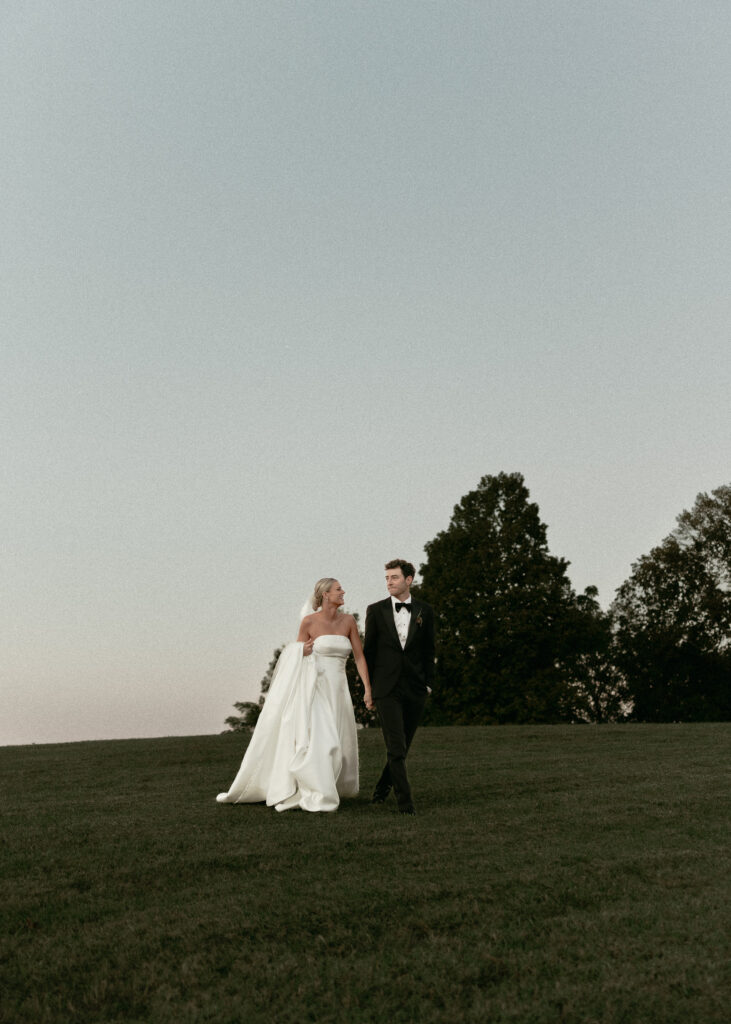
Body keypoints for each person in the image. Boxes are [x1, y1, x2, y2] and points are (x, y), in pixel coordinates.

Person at [216, 578, 373, 812]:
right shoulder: (308, 622)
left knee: (339, 739)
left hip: (339, 689)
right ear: (325, 595)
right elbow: (294, 658)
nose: (343, 592)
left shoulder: (349, 621)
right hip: (316, 688)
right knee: (324, 740)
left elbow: (359, 657)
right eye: (339, 589)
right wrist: (301, 650)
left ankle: (329, 786)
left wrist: (368, 690)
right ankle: (318, 793)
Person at [364, 559, 435, 816]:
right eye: (387, 578)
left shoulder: (425, 611)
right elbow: (368, 653)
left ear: (409, 580)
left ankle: (382, 787)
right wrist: (368, 689)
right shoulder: (375, 610)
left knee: (402, 747)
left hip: (416, 688)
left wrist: (428, 684)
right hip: (386, 688)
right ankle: (405, 802)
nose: (389, 582)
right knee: (395, 746)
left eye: (394, 577)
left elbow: (429, 651)